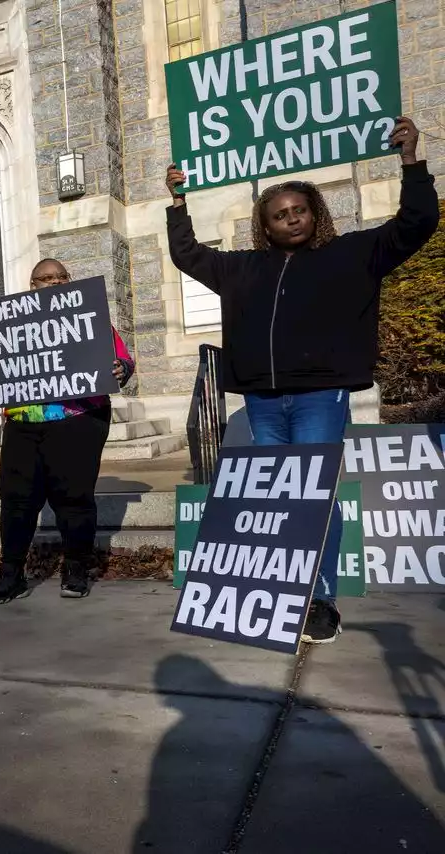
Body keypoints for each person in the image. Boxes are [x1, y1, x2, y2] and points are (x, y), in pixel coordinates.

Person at [166, 116, 438, 645]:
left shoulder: (354, 254)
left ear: (315, 213)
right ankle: (279, 593)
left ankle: (321, 600)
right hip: (263, 401)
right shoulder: (242, 268)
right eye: (279, 215)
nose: (291, 219)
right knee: (274, 502)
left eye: (299, 210)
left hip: (319, 395)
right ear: (264, 226)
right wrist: (178, 203)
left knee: (315, 497)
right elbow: (188, 255)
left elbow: (416, 223)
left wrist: (411, 161)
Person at [0, 259, 134, 604]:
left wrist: (121, 367)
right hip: (24, 423)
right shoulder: (10, 323)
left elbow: (124, 359)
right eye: (45, 279)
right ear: (32, 286)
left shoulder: (90, 318)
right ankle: (10, 575)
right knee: (16, 501)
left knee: (74, 499)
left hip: (76, 418)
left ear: (70, 281)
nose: (54, 282)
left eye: (61, 277)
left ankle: (76, 568)